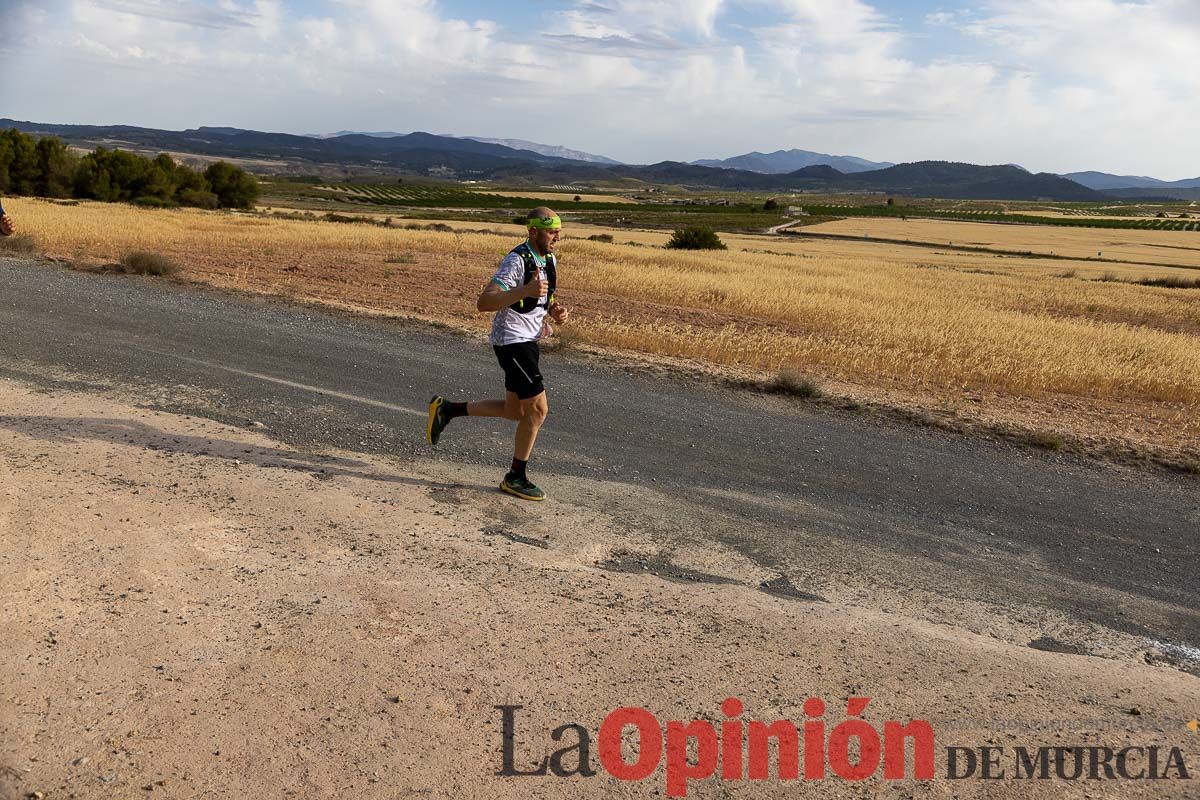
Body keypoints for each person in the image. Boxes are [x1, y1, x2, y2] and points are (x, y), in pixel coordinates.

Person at [426, 207, 570, 501]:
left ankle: (447, 409)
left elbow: (544, 295)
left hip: (530, 340)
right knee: (538, 410)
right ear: (533, 231)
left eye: (558, 230)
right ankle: (515, 477)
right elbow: (485, 302)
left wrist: (554, 310)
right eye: (551, 231)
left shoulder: (549, 259)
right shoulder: (517, 260)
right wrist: (525, 291)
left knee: (514, 411)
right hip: (513, 342)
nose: (557, 236)